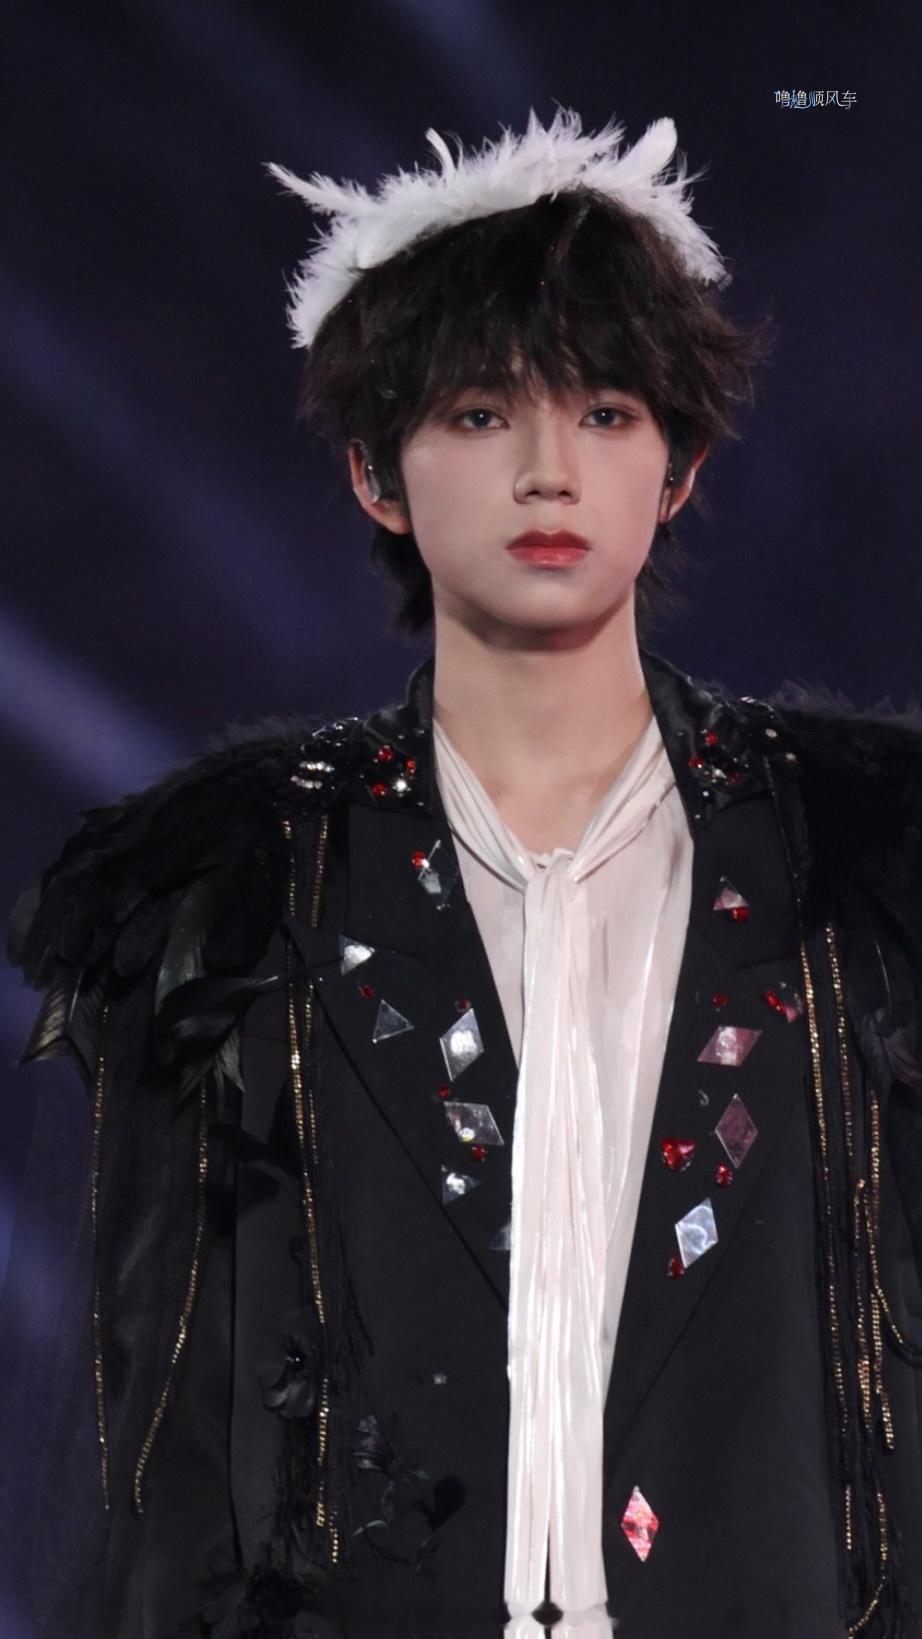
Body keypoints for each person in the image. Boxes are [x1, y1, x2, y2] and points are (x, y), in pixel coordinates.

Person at [7, 106, 922, 1639]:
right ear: (377, 472)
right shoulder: (230, 888)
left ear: (679, 464)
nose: (549, 473)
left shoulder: (865, 862)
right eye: (485, 414)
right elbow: (151, 1440)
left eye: (607, 412)